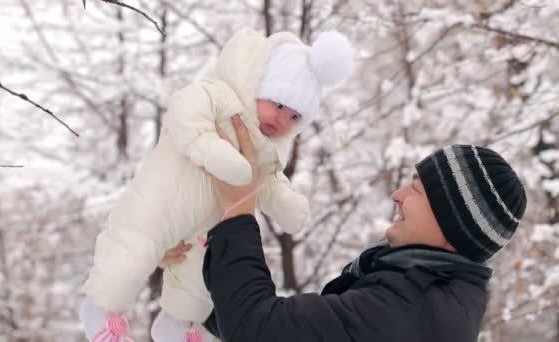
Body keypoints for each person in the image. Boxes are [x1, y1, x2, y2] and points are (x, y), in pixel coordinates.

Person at [79, 27, 353, 342]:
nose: (281, 120)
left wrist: (284, 202)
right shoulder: (218, 95)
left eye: (294, 117)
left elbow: (266, 183)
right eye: (278, 104)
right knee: (133, 249)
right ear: (258, 83)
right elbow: (186, 116)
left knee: (202, 275)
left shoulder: (269, 151)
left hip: (202, 229)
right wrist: (218, 154)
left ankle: (177, 325)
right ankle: (100, 311)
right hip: (160, 204)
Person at [163, 115, 528, 342]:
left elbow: (257, 329)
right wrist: (191, 269)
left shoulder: (409, 312)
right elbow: (268, 328)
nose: (397, 195)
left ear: (452, 223)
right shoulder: (425, 297)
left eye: (416, 188)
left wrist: (239, 210)